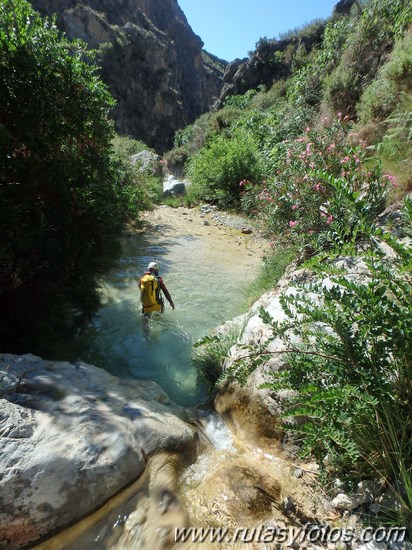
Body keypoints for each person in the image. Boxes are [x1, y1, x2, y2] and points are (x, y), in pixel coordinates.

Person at [138, 261, 174, 329]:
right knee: (158, 318)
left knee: (146, 317)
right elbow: (165, 291)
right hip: (157, 304)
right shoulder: (159, 279)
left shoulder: (142, 278)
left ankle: (146, 333)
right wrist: (171, 302)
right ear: (156, 270)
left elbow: (139, 287)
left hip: (146, 305)